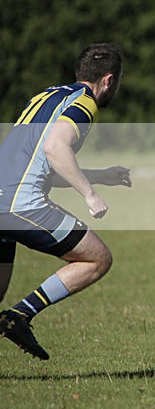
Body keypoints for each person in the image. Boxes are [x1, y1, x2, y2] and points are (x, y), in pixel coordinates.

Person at [0, 43, 130, 360]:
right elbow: (56, 149)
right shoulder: (85, 104)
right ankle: (19, 315)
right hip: (19, 205)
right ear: (109, 80)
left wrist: (99, 176)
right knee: (96, 259)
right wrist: (90, 194)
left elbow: (42, 163)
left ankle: (16, 315)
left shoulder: (46, 97)